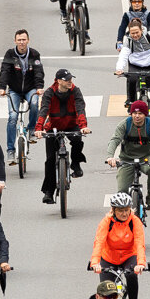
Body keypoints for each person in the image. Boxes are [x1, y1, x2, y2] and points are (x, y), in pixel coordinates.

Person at [36, 69, 91, 201]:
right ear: (59, 81)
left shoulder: (75, 91)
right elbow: (43, 111)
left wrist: (83, 126)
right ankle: (49, 192)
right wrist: (39, 128)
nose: (70, 82)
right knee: (50, 160)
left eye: (71, 79)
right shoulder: (49, 93)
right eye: (67, 80)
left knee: (78, 140)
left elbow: (80, 108)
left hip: (72, 124)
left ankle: (76, 164)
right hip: (53, 127)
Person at [90, 192, 150, 299]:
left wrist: (141, 263)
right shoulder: (106, 222)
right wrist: (95, 263)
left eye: (127, 210)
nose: (124, 213)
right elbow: (99, 242)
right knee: (105, 288)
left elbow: (139, 242)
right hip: (109, 257)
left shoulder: (135, 221)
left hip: (129, 256)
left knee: (132, 276)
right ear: (113, 210)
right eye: (120, 210)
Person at [0, 29, 44, 153]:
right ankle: (10, 149)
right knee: (13, 117)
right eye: (19, 40)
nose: (22, 42)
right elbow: (5, 71)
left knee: (34, 103)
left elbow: (38, 72)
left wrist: (39, 87)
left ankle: (32, 128)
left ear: (28, 40)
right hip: (14, 90)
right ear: (15, 41)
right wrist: (2, 87)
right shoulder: (10, 54)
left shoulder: (34, 54)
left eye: (24, 40)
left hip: (30, 88)